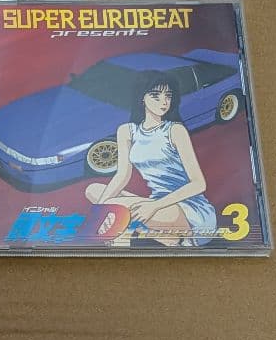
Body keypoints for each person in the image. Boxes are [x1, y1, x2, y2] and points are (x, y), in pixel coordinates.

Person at [85, 71, 217, 246]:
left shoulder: (175, 130)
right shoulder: (126, 131)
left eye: (168, 96)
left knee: (120, 212)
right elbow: (122, 175)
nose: (164, 101)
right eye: (156, 95)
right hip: (156, 204)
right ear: (142, 98)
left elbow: (199, 184)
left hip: (188, 209)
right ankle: (170, 238)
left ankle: (127, 242)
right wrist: (99, 211)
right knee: (93, 190)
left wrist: (154, 206)